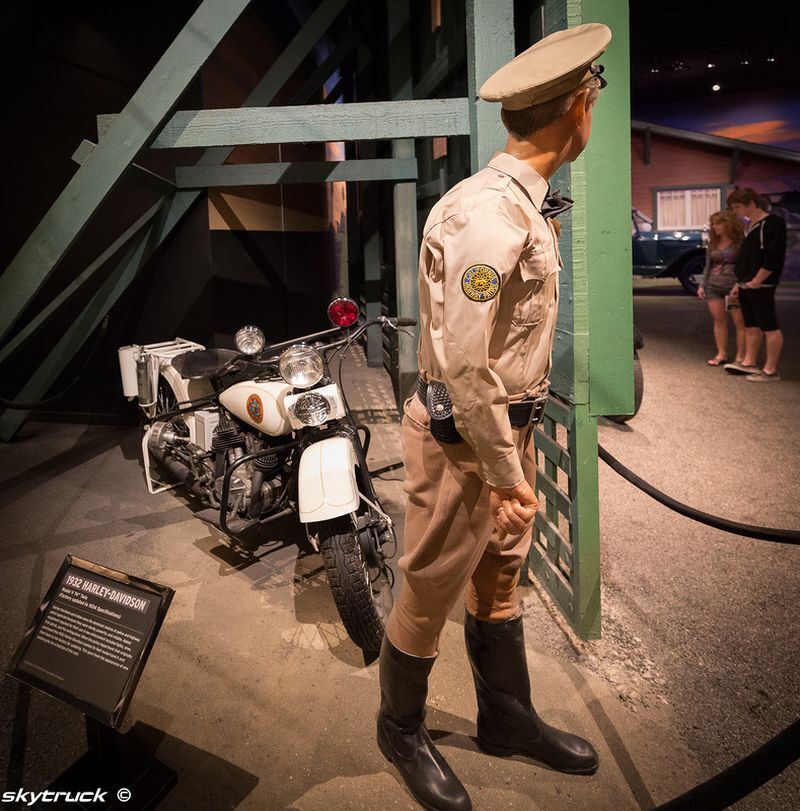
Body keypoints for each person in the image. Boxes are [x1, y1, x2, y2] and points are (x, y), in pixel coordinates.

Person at [376, 23, 609, 811]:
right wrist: (507, 474)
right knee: (431, 585)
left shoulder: (520, 204)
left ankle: (506, 719)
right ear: (579, 106)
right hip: (464, 440)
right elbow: (466, 365)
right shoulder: (489, 216)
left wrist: (515, 455)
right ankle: (399, 729)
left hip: (507, 428)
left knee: (499, 576)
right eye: (595, 96)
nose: (594, 110)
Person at [723, 188, 786, 381]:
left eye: (737, 206)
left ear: (751, 203)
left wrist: (758, 280)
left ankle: (770, 370)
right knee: (751, 325)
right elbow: (746, 259)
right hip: (745, 284)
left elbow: (773, 256)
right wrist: (739, 283)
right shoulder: (749, 226)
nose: (735, 211)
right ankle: (749, 363)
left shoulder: (772, 223)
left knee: (769, 326)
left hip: (761, 285)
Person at [697, 211, 745, 365]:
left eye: (718, 223)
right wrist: (702, 285)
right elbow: (708, 266)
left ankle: (741, 356)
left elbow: (745, 265)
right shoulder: (713, 243)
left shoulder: (739, 243)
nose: (715, 226)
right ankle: (721, 354)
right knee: (719, 320)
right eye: (713, 224)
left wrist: (739, 283)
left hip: (733, 287)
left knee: (739, 322)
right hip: (714, 287)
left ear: (727, 224)